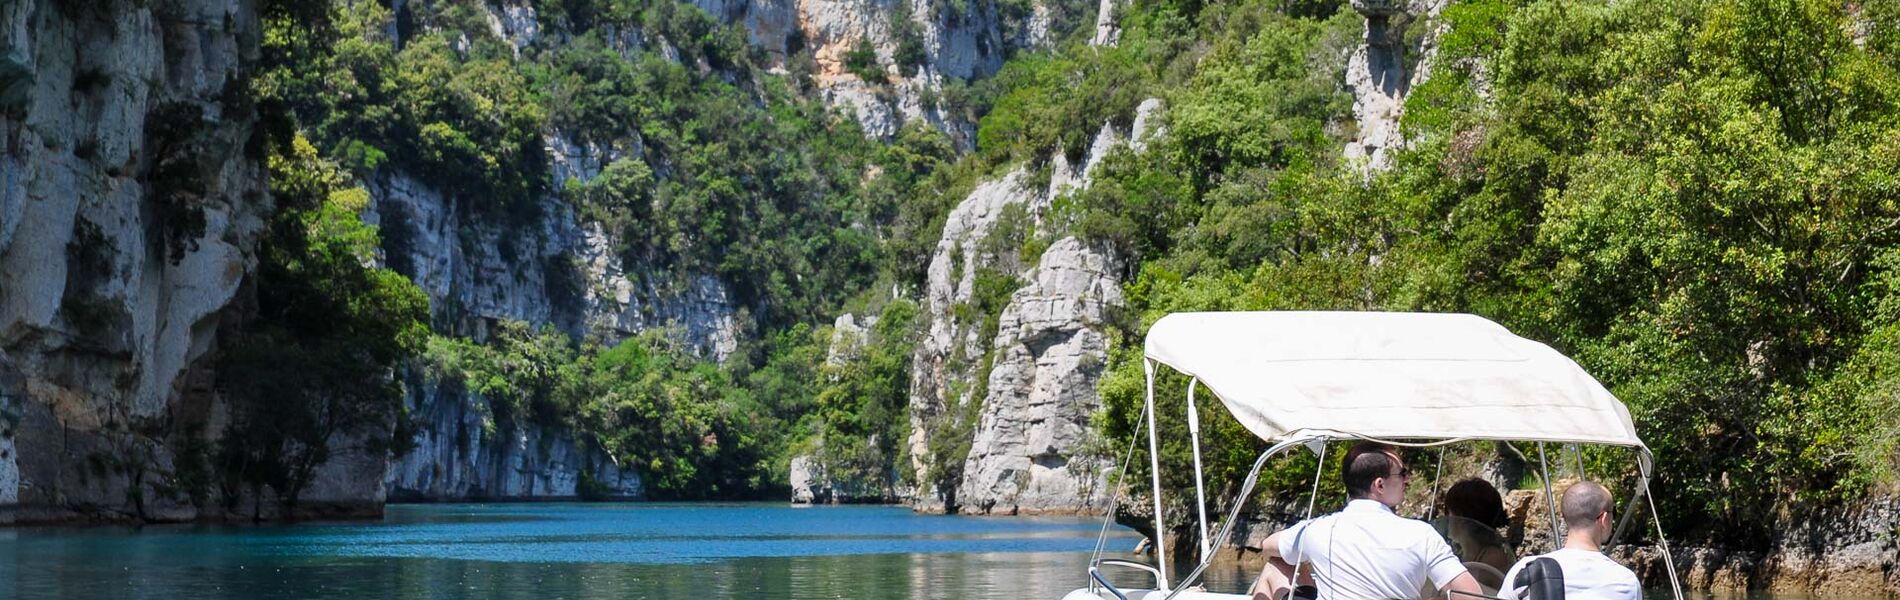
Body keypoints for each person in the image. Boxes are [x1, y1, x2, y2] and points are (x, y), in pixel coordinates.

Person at [1250, 441, 1482, 600]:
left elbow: (1268, 546)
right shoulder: (1422, 535)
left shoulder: (1320, 530)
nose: (1407, 479)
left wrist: (1305, 563)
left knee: (1277, 564)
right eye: (1402, 474)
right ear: (1379, 485)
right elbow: (1470, 594)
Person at [1497, 481, 1641, 600]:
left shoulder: (1524, 570)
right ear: (1603, 519)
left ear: (1563, 518)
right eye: (1613, 513)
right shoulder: (1626, 582)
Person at [1433, 478, 1516, 589]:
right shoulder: (1461, 553)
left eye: (1449, 511)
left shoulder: (1493, 558)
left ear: (1462, 517)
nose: (1447, 517)